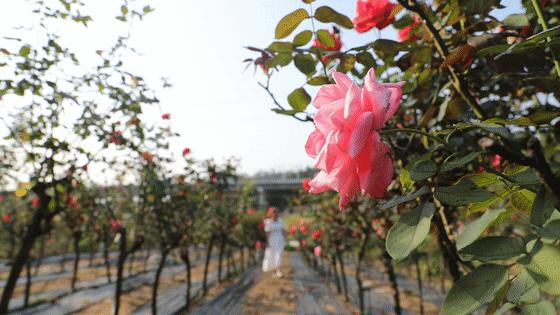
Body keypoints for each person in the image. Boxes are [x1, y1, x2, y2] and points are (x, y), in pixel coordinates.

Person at [262, 207, 285, 278]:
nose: (276, 214)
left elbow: (283, 230)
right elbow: (267, 232)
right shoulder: (268, 222)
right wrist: (267, 242)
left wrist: (285, 239)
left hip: (280, 239)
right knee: (272, 255)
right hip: (272, 240)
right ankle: (274, 272)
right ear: (271, 213)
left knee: (279, 254)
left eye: (277, 212)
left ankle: (279, 271)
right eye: (274, 212)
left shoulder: (281, 220)